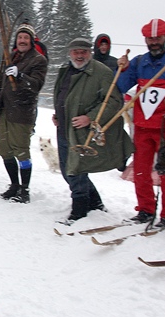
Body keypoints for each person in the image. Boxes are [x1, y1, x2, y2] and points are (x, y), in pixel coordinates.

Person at [53, 38, 133, 222]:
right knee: (67, 170)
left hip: (83, 130)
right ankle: (95, 202)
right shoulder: (65, 70)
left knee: (76, 170)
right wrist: (58, 113)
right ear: (70, 53)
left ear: (90, 53)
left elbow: (113, 101)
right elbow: (62, 95)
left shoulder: (101, 72)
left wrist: (90, 118)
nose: (79, 55)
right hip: (64, 128)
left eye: (83, 52)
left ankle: (79, 210)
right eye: (76, 52)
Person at [116, 18, 165, 229]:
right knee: (140, 171)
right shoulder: (139, 63)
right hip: (143, 126)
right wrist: (121, 68)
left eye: (157, 38)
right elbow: (120, 86)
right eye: (150, 38)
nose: (154, 42)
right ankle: (145, 210)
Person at [0, 21, 47, 203]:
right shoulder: (10, 58)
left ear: (31, 41)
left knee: (21, 151)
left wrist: (21, 76)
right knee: (6, 150)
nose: (22, 40)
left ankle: (25, 190)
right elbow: (1, 80)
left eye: (26, 38)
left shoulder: (38, 60)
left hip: (22, 112)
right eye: (20, 37)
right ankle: (14, 185)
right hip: (5, 111)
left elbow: (36, 85)